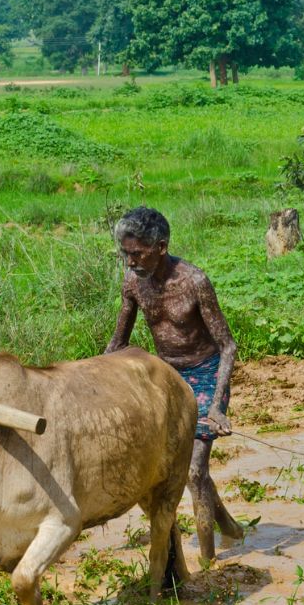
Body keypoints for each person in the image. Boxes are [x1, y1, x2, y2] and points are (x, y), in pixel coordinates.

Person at [105, 206, 243, 567]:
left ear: (161, 247)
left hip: (205, 371)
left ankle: (208, 565)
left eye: (137, 253)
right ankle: (228, 525)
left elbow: (228, 346)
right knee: (163, 468)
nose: (131, 260)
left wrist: (217, 407)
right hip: (166, 377)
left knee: (195, 472)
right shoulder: (133, 282)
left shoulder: (194, 281)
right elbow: (118, 342)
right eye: (125, 253)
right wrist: (91, 379)